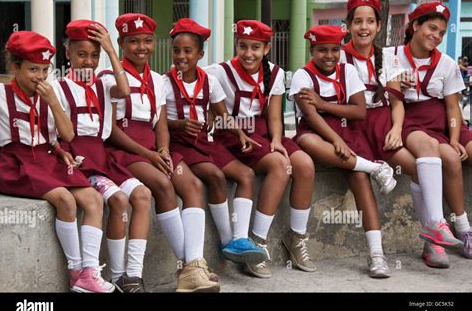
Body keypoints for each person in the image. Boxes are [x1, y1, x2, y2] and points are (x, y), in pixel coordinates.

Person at [341, 0, 462, 268]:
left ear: (379, 26)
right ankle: (383, 252)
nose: (364, 27)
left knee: (420, 166)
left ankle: (433, 238)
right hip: (352, 126)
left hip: (382, 122)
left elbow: (396, 100)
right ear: (348, 25)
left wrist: (396, 128)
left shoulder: (387, 57)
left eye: (370, 21)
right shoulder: (339, 56)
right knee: (361, 177)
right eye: (357, 21)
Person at [100, 13, 220, 292]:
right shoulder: (109, 78)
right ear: (120, 43)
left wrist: (163, 150)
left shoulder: (158, 80)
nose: (141, 47)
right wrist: (149, 153)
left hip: (154, 148)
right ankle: (189, 267)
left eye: (147, 41)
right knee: (163, 184)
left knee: (192, 184)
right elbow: (113, 130)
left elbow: (161, 124)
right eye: (133, 42)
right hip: (124, 150)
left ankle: (195, 265)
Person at [0, 31, 114, 293]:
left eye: (44, 70)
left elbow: (67, 135)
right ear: (15, 68)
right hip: (18, 162)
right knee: (65, 199)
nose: (39, 76)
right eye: (32, 69)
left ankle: (89, 270)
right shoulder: (0, 95)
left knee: (94, 199)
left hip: (48, 159)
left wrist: (53, 103)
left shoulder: (51, 96)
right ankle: (76, 272)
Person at [205, 20, 316, 279]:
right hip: (234, 135)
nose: (248, 53)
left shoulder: (275, 74)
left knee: (305, 165)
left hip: (266, 133)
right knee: (280, 166)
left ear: (266, 48)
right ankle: (257, 242)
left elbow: (275, 116)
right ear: (236, 45)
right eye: (243, 46)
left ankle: (296, 237)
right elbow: (188, 79)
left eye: (255, 47)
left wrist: (277, 139)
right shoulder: (219, 72)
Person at [52, 19, 153, 292]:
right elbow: (53, 135)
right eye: (81, 54)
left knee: (142, 195)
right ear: (68, 54)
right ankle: (112, 274)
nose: (88, 62)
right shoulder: (59, 88)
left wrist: (110, 49)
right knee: (119, 200)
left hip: (102, 157)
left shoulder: (104, 83)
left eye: (94, 55)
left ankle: (131, 274)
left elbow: (125, 89)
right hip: (79, 161)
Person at [290, 24, 395, 278]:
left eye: (335, 50)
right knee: (307, 143)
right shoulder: (302, 76)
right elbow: (311, 117)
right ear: (311, 49)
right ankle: (374, 167)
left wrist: (324, 103)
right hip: (318, 134)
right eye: (322, 50)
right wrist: (335, 138)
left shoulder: (347, 71)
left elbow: (359, 111)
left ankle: (377, 255)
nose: (329, 56)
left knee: (360, 179)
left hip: (350, 135)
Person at [165, 18, 268, 265]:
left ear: (200, 54)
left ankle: (240, 239)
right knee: (215, 175)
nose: (181, 56)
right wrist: (178, 124)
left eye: (188, 51)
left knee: (245, 174)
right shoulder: (164, 82)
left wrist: (241, 134)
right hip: (179, 145)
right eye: (176, 50)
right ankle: (226, 241)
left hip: (203, 143)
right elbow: (155, 123)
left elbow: (223, 114)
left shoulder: (208, 81)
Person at [385, 2, 472, 264]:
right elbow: (382, 93)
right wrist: (395, 80)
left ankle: (458, 228)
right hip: (412, 121)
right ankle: (450, 231)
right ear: (415, 26)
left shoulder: (446, 63)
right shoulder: (391, 55)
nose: (436, 36)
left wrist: (456, 139)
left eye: (442, 32)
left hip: (443, 124)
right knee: (446, 158)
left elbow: (453, 107)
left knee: (455, 154)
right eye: (431, 28)